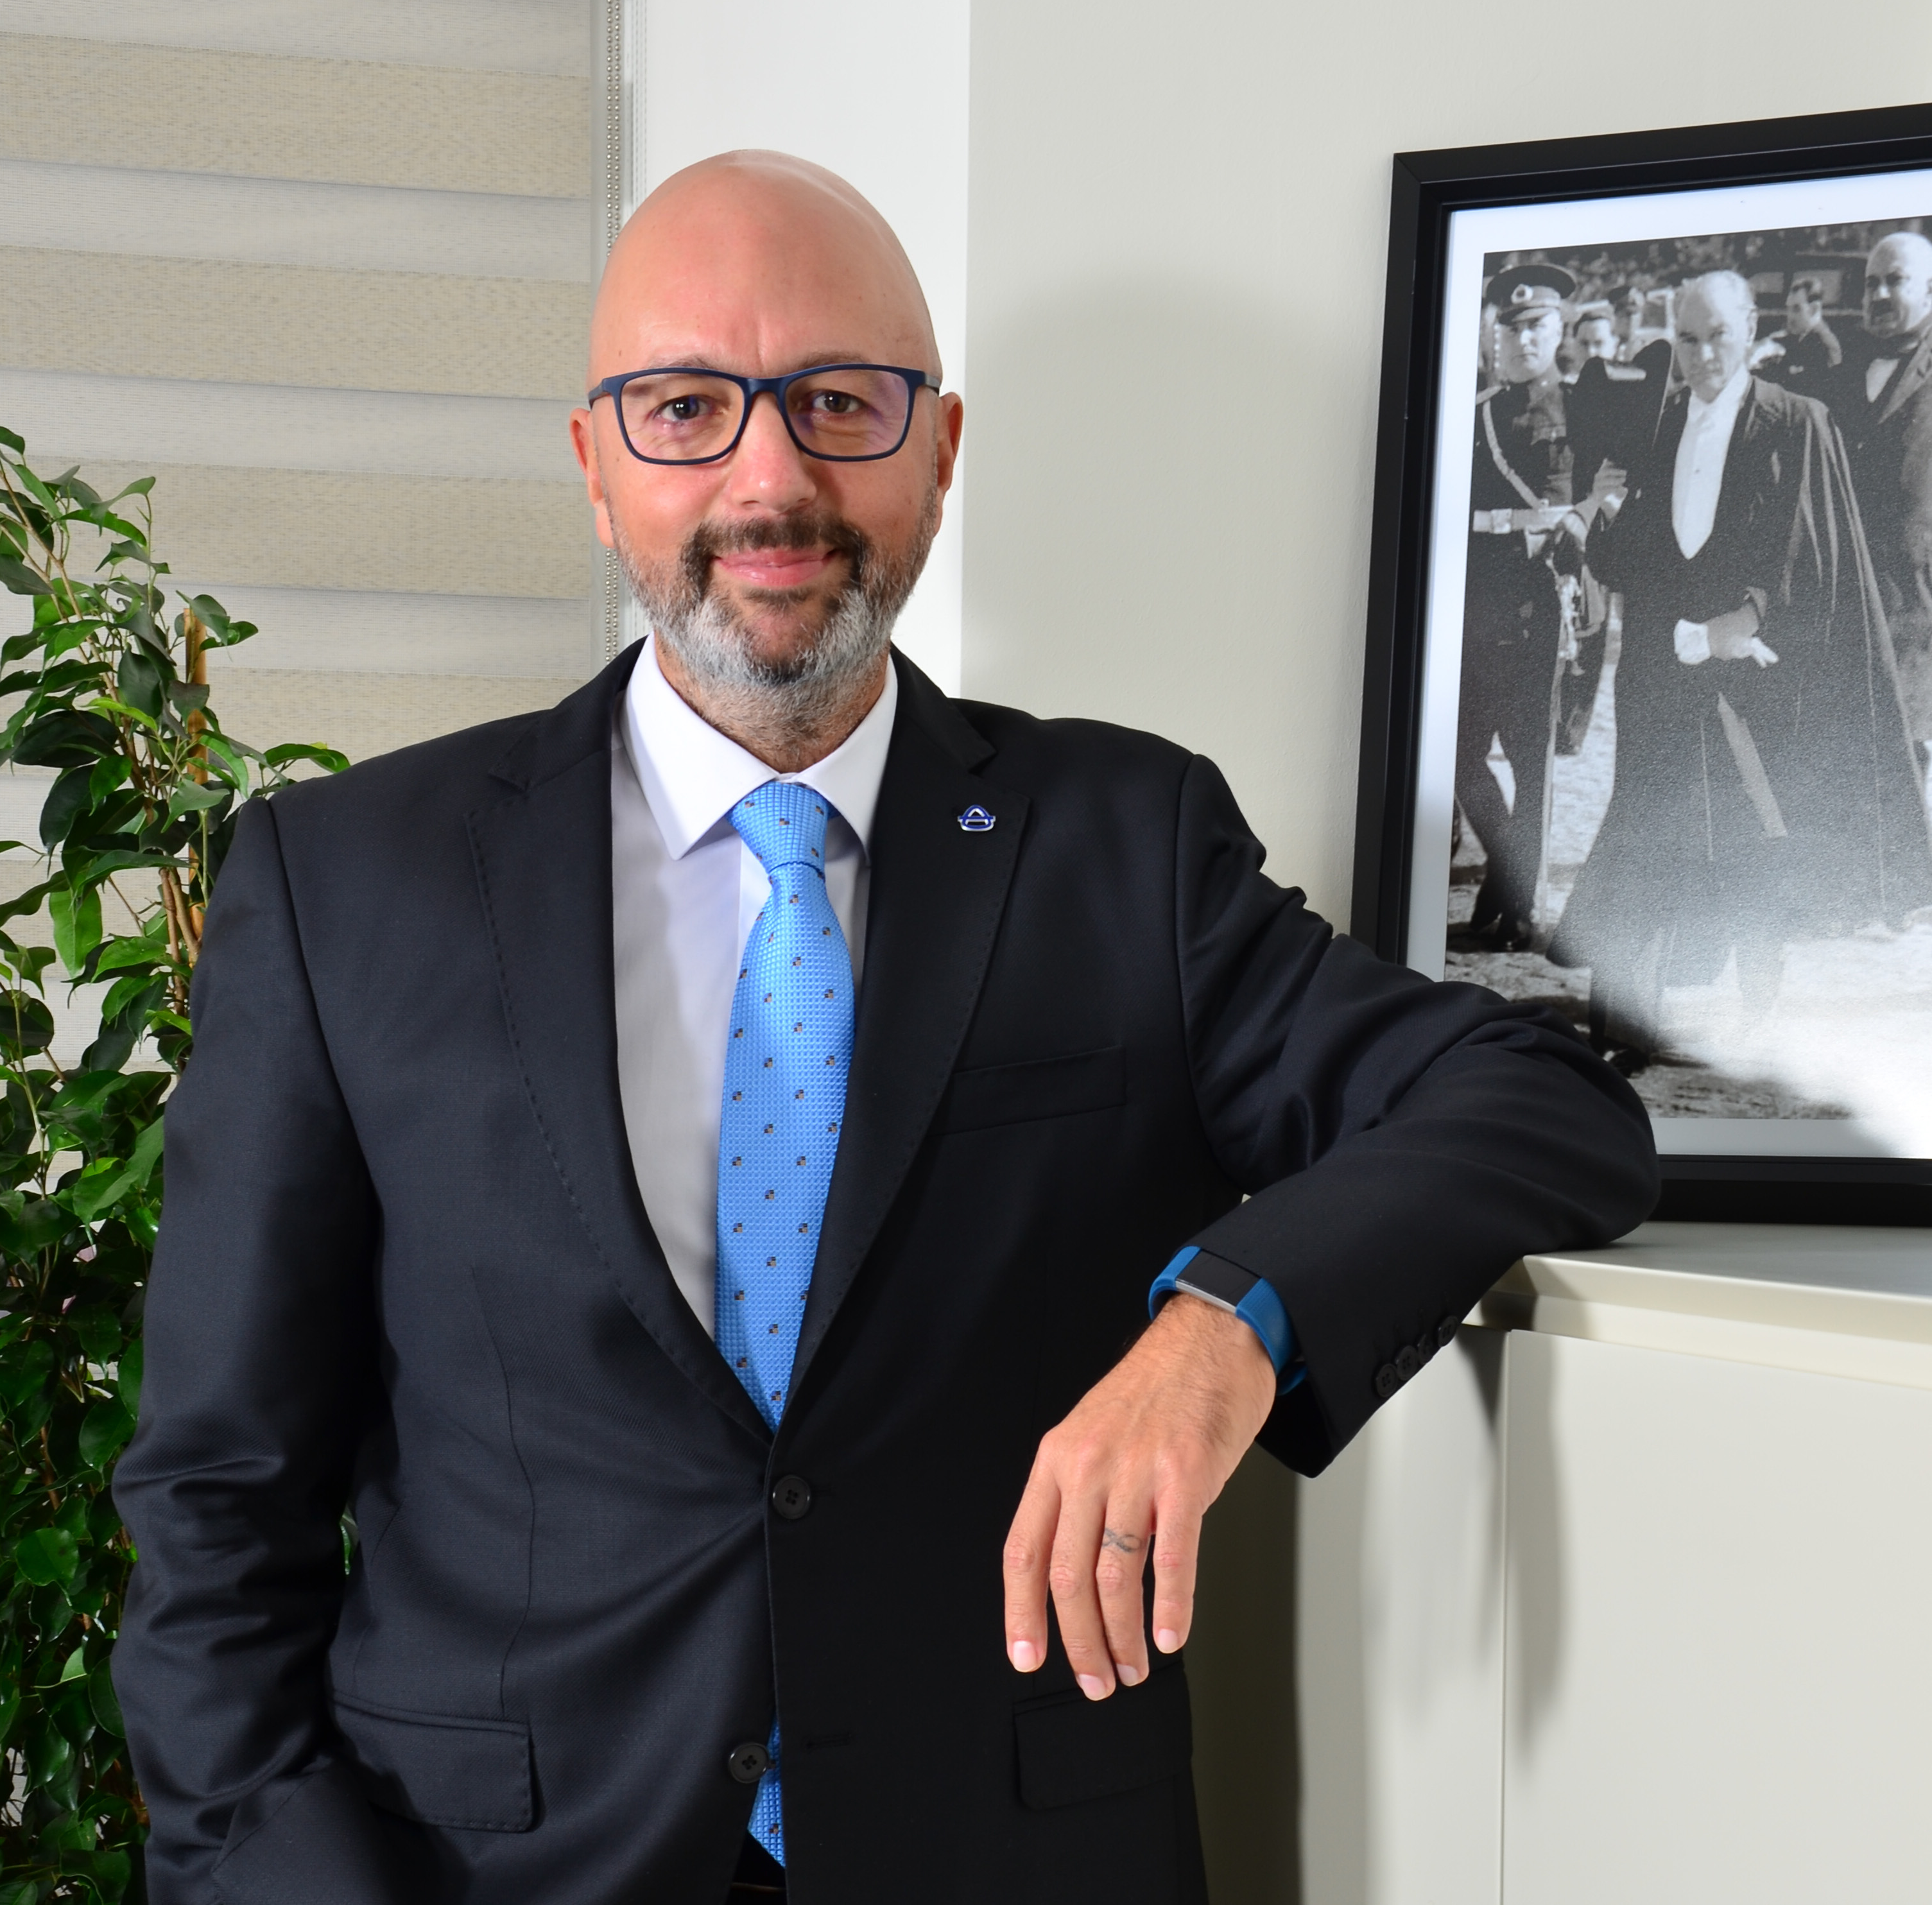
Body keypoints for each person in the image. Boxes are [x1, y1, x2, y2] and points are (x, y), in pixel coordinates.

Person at [112, 153, 1657, 1905]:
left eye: (841, 402)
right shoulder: (346, 881)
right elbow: (218, 1498)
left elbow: (1536, 1096)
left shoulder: (1123, 846)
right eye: (686, 406)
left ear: (939, 448)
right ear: (595, 467)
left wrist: (1226, 1323)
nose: (771, 477)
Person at [1550, 270, 1931, 1066]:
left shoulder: (1795, 420)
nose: (1700, 356)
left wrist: (1741, 622)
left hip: (1754, 674)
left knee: (1755, 834)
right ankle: (1623, 1027)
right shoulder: (1658, 423)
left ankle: (1759, 1010)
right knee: (1645, 828)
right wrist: (1604, 520)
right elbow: (1636, 558)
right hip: (1660, 669)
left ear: (1749, 329)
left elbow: (1806, 544)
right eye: (1686, 340)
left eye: (1716, 336)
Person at [1454, 264, 1591, 947]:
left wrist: (1580, 522)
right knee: (1457, 755)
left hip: (1540, 603)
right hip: (1475, 600)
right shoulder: (1475, 412)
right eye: (1510, 329)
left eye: (1535, 326)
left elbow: (1608, 490)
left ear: (1558, 330)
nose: (1521, 340)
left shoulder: (1583, 409)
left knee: (1531, 756)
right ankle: (1507, 870)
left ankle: (1521, 905)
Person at [1836, 231, 1932, 787]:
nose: (1878, 294)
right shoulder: (1846, 363)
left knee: (1910, 760)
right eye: (1871, 283)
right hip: (1851, 590)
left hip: (1918, 595)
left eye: (1894, 281)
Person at [1766, 273, 1845, 403]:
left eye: (1797, 309)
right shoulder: (1798, 339)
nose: (1790, 317)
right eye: (1788, 309)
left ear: (1814, 309)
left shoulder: (1824, 345)